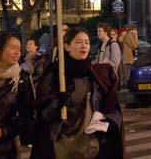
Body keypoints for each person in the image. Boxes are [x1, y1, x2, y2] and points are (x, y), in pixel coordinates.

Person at [36, 26, 123, 159]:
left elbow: (114, 108)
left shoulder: (96, 76)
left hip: (92, 147)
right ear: (66, 46)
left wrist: (109, 123)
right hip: (62, 147)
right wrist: (57, 103)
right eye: (78, 42)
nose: (84, 46)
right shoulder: (55, 75)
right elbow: (44, 115)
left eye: (87, 42)